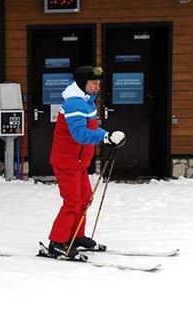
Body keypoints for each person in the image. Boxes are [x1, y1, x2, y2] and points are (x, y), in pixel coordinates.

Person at [47, 65, 126, 258]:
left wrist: (109, 136)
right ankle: (57, 242)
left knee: (84, 199)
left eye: (98, 83)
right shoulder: (74, 104)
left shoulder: (88, 103)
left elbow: (91, 129)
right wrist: (105, 138)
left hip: (80, 163)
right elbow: (80, 134)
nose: (97, 86)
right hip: (67, 162)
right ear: (83, 84)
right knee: (73, 202)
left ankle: (76, 236)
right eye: (93, 83)